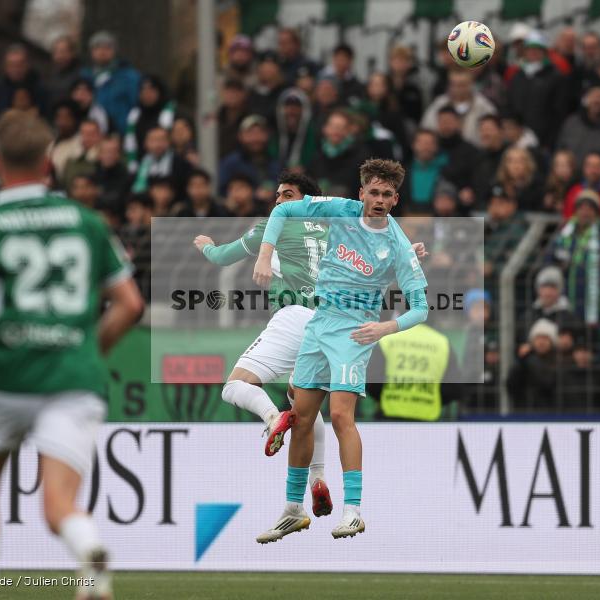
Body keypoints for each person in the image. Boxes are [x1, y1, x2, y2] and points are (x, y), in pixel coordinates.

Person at [0, 110, 144, 600]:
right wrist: (88, 347)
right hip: (74, 377)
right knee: (58, 505)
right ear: (49, 162)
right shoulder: (86, 221)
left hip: (6, 376)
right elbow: (130, 303)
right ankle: (86, 545)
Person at [252, 159, 428, 542]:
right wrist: (265, 254)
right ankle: (292, 510)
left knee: (340, 416)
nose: (378, 200)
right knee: (299, 417)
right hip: (320, 323)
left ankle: (354, 511)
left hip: (355, 332)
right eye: (373, 192)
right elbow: (283, 209)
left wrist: (385, 327)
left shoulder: (398, 244)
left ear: (395, 199)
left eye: (386, 194)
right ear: (361, 192)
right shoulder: (343, 210)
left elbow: (421, 308)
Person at [193, 171, 334, 516]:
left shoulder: (274, 227)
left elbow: (222, 257)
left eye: (287, 195)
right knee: (302, 399)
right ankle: (318, 477)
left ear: (305, 200)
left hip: (294, 316)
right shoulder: (336, 230)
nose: (278, 202)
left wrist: (205, 246)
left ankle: (272, 418)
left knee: (234, 386)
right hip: (332, 326)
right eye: (277, 195)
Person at [548, 189, 600, 326]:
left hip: (598, 306)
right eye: (581, 207)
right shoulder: (563, 236)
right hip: (564, 304)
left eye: (590, 208)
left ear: (597, 212)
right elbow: (549, 263)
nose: (585, 212)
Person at [505, 30, 568, 149]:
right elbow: (510, 106)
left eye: (537, 49)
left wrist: (549, 142)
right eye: (529, 49)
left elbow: (559, 113)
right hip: (517, 140)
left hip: (544, 141)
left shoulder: (556, 77)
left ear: (544, 52)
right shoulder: (517, 76)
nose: (533, 52)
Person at [81, 31, 141, 131]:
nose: (102, 52)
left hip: (120, 131)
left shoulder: (128, 77)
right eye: (98, 47)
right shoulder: (84, 76)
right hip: (90, 133)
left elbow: (136, 104)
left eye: (107, 48)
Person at [421, 69, 496, 146]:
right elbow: (427, 129)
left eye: (462, 85)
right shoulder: (439, 104)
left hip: (476, 151)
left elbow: (493, 132)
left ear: (471, 84)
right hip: (444, 152)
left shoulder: (483, 106)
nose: (458, 89)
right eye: (454, 85)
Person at [556, 83, 600, 162]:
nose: (597, 101)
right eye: (593, 96)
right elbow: (560, 151)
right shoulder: (571, 123)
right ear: (585, 100)